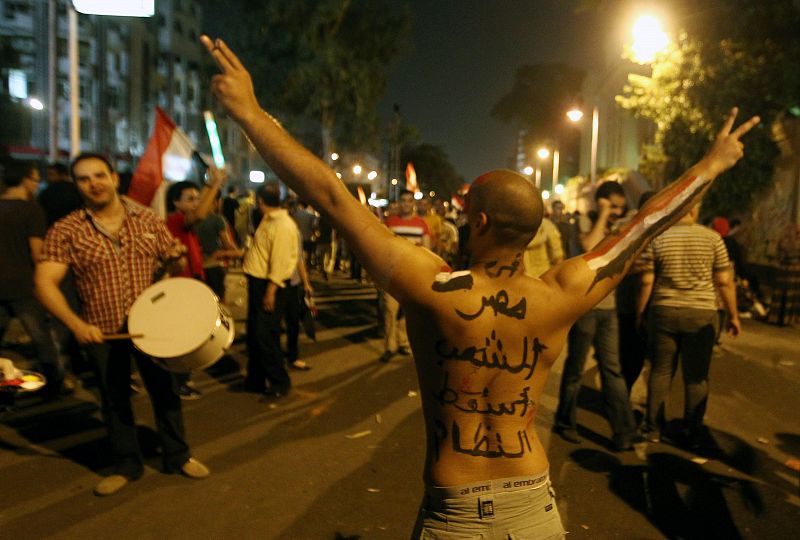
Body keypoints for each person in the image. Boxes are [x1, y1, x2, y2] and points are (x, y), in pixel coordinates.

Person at [202, 34, 758, 537]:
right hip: (534, 507)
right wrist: (711, 165)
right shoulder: (561, 293)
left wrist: (250, 113)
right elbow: (641, 227)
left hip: (457, 514)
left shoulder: (431, 284)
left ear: (480, 221)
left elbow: (330, 196)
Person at [35, 153, 210, 496]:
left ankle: (178, 455)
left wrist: (176, 260)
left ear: (114, 178)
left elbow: (174, 263)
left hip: (153, 327)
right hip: (102, 331)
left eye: (99, 175)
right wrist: (75, 324)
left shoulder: (147, 219)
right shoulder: (67, 229)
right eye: (84, 179)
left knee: (166, 392)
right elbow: (44, 283)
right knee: (114, 400)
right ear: (76, 185)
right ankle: (127, 465)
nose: (93, 184)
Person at [636, 203, 740, 449]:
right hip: (701, 312)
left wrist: (640, 313)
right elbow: (724, 281)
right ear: (695, 210)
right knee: (696, 376)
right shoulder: (713, 238)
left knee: (661, 370)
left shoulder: (658, 237)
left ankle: (653, 427)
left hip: (664, 309)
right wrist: (733, 315)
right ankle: (692, 431)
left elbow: (647, 280)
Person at [553, 181, 639, 451]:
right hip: (585, 309)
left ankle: (624, 431)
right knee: (576, 369)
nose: (617, 212)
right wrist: (602, 214)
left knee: (612, 370)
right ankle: (565, 422)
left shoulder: (617, 226)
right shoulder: (583, 222)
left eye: (619, 207)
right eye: (612, 206)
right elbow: (590, 247)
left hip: (609, 309)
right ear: (600, 203)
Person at [0, 158, 66, 395]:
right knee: (41, 338)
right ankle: (54, 384)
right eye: (36, 180)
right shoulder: (31, 210)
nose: (37, 185)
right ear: (25, 180)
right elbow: (37, 252)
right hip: (22, 285)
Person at [166, 172, 226, 400]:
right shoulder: (175, 220)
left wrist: (209, 186)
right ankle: (178, 383)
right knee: (181, 337)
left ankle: (182, 380)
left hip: (192, 284)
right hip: (180, 287)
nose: (196, 203)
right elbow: (200, 213)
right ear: (175, 202)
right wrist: (215, 183)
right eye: (190, 199)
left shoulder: (185, 222)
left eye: (197, 198)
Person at [241, 183, 300, 398]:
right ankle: (256, 379)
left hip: (270, 285)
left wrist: (271, 291)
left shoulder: (283, 225)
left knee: (264, 334)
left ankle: (279, 381)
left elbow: (281, 261)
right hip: (260, 282)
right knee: (256, 334)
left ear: (260, 201)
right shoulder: (269, 220)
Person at [379, 189, 430, 363]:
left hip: (413, 276)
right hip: (392, 274)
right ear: (399, 203)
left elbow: (427, 251)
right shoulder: (389, 223)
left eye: (409, 200)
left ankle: (403, 342)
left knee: (407, 312)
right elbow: (383, 247)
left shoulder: (422, 225)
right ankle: (390, 346)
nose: (406, 204)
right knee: (390, 310)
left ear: (413, 203)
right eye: (403, 200)